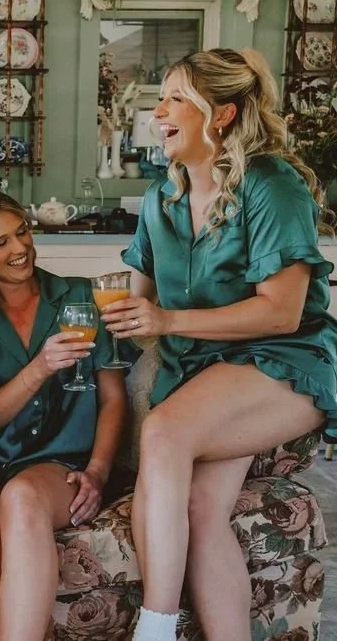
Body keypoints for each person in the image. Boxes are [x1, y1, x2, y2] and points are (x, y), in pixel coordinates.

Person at [101, 48, 337, 641]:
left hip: (285, 361)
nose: (159, 112)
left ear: (223, 114)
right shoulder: (160, 199)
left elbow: (281, 313)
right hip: (202, 375)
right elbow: (139, 307)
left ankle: (153, 631)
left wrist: (167, 322)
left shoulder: (272, 186)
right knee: (205, 513)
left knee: (164, 430)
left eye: (176, 97)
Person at [0, 188, 135, 641]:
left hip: (56, 460)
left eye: (21, 233)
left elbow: (113, 398)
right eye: (0, 243)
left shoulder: (82, 298)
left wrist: (99, 471)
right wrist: (40, 368)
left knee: (22, 499)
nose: (19, 248)